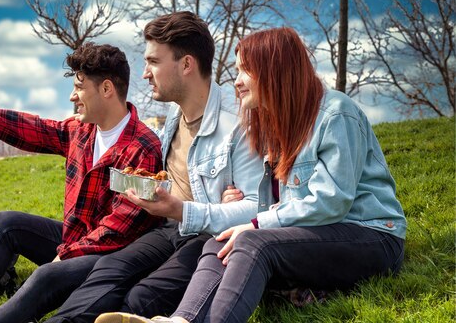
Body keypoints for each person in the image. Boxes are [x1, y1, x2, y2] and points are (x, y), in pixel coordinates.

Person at [95, 27, 408, 323]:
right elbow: (282, 204)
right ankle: (183, 318)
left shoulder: (336, 114)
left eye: (246, 70)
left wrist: (257, 223)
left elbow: (330, 202)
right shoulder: (278, 123)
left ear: (275, 70)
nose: (237, 81)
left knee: (253, 242)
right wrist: (240, 208)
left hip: (370, 235)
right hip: (318, 234)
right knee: (220, 242)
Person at [0, 42, 164, 323]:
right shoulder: (80, 131)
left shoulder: (143, 147)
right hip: (74, 241)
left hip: (111, 258)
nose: (72, 97)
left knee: (47, 274)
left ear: (106, 89)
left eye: (79, 87)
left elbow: (119, 228)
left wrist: (65, 255)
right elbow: (30, 128)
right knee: (6, 223)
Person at [44, 11, 262, 323]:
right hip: (167, 228)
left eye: (154, 62)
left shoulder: (238, 124)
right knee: (110, 267)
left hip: (203, 234)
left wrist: (189, 209)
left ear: (186, 65)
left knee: (141, 296)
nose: (145, 73)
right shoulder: (174, 118)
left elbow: (258, 208)